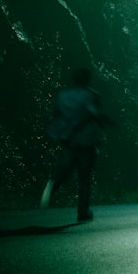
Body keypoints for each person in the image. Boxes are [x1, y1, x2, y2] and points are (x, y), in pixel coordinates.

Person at [41, 67, 111, 222]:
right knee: (84, 178)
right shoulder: (91, 95)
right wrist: (108, 123)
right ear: (88, 79)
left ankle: (51, 187)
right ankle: (82, 212)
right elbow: (96, 115)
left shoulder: (63, 96)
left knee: (64, 171)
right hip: (86, 142)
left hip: (68, 141)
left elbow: (55, 113)